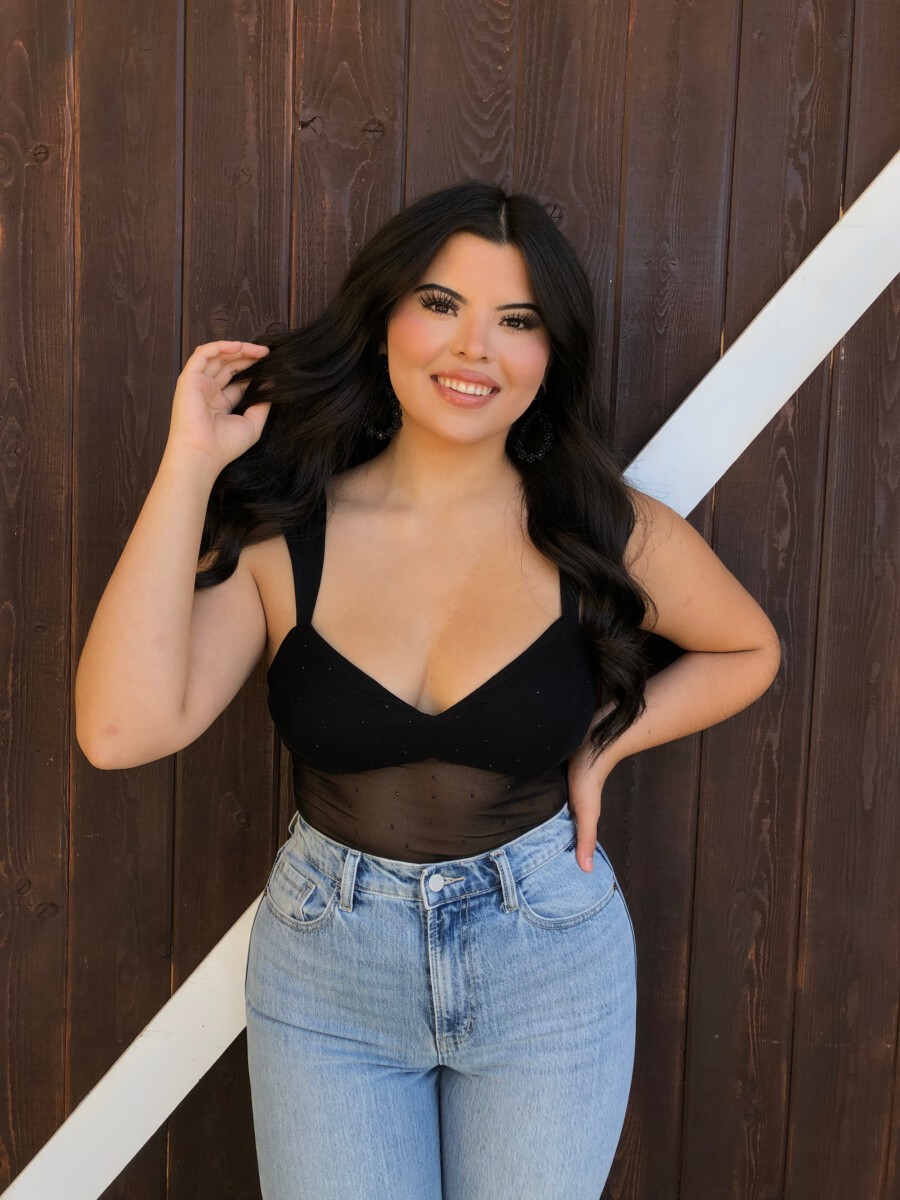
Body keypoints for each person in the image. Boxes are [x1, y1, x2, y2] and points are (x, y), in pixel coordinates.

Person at [75, 180, 781, 1199]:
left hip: (550, 967)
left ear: (551, 355)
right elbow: (118, 730)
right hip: (328, 976)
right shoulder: (286, 538)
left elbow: (747, 649)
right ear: (384, 321)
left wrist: (605, 746)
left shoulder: (601, 529)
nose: (473, 348)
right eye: (441, 304)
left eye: (518, 320)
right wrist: (190, 466)